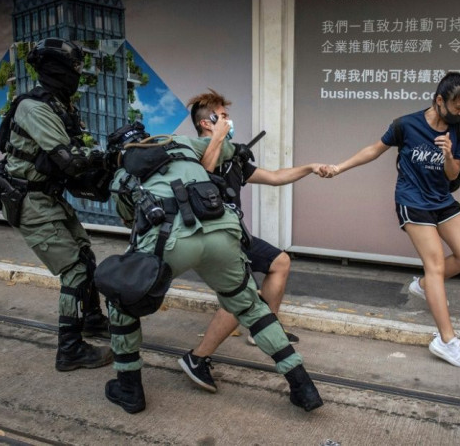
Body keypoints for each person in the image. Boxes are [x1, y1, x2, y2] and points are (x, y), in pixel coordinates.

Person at [102, 121, 322, 414]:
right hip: (222, 230)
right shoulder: (180, 142)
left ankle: (129, 390)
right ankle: (302, 387)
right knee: (251, 307)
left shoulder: (122, 174)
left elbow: (131, 222)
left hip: (171, 241)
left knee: (122, 303)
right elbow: (227, 150)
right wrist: (224, 142)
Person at [320, 72, 460, 368]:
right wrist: (339, 168)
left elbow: (453, 174)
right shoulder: (406, 124)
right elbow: (375, 149)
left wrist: (448, 154)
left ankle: (423, 285)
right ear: (439, 100)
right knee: (435, 266)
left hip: (442, 198)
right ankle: (446, 341)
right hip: (412, 200)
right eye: (457, 108)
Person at [177, 89, 324, 392]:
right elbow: (201, 175)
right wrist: (218, 136)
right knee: (243, 295)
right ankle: (196, 358)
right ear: (209, 122)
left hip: (234, 236)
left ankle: (261, 330)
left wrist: (309, 168)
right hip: (208, 241)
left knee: (280, 261)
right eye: (224, 116)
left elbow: (274, 176)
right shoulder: (190, 154)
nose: (230, 121)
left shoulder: (233, 159)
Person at [0, 37, 112, 371]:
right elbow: (69, 160)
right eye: (73, 70)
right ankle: (70, 349)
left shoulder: (59, 105)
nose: (76, 76)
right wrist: (107, 155)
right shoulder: (35, 107)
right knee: (74, 269)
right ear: (56, 70)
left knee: (85, 256)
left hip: (46, 195)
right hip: (29, 199)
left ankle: (91, 319)